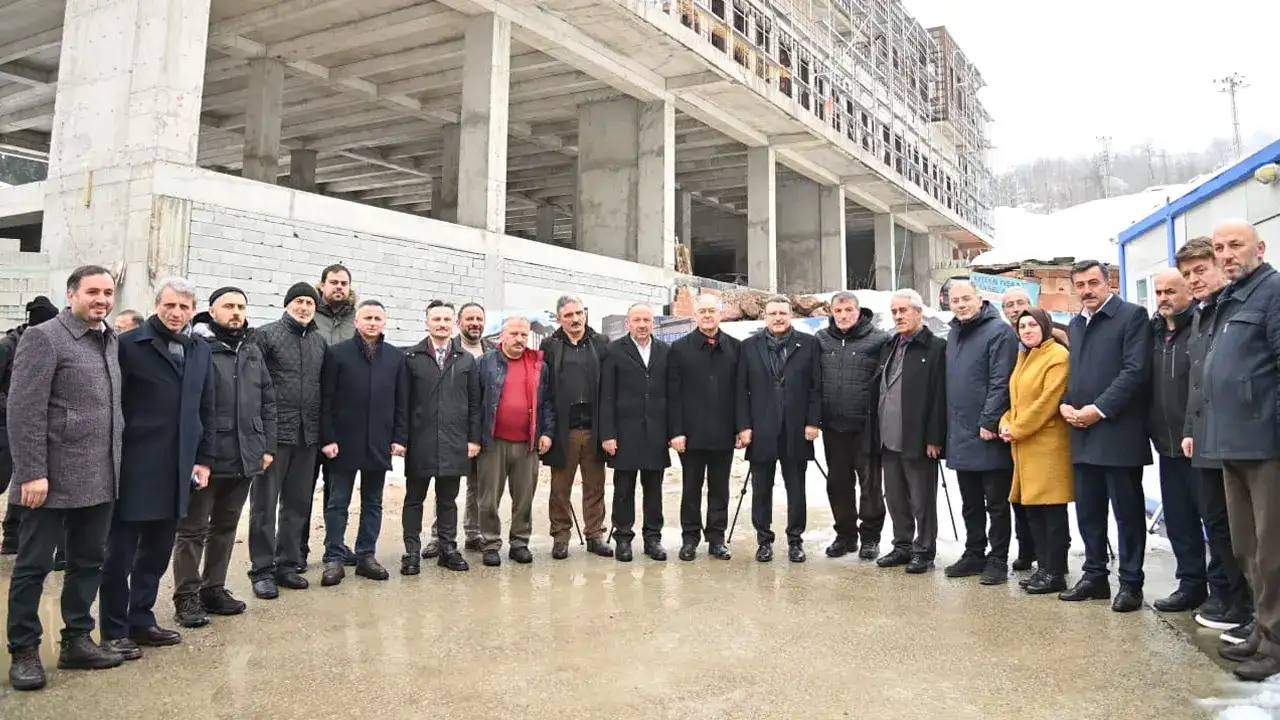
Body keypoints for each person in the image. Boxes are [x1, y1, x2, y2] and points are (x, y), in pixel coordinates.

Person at [5, 266, 126, 690]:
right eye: (92, 291)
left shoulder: (109, 339)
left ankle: (76, 640)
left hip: (100, 475)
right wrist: (32, 473)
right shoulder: (45, 337)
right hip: (50, 481)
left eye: (108, 292)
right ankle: (23, 650)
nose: (101, 299)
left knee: (88, 562)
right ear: (71, 294)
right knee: (33, 566)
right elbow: (23, 410)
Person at [101, 278, 215, 657]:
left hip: (178, 468)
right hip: (134, 465)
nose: (176, 313)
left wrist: (203, 459)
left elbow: (206, 409)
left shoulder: (200, 350)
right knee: (120, 553)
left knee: (156, 550)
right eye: (169, 305)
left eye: (184, 307)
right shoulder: (129, 346)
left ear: (193, 309)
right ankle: (115, 629)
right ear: (156, 304)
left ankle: (142, 620)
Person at [1200, 221, 1280, 681]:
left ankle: (1276, 643)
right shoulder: (1231, 299)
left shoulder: (1272, 292)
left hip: (1265, 442)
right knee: (1247, 546)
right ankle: (1263, 630)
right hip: (1232, 442)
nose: (1227, 254)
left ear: (1260, 248)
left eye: (1236, 245)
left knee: (1273, 549)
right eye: (1220, 248)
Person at [172, 288, 276, 628]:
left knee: (226, 527)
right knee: (192, 529)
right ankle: (186, 596)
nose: (236, 312)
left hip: (245, 456)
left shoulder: (251, 349)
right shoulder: (196, 347)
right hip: (207, 457)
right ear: (211, 311)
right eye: (228, 306)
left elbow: (267, 401)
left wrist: (266, 446)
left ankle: (213, 588)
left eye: (241, 306)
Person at [1059, 259, 1152, 612]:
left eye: (1093, 282)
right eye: (1080, 284)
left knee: (1127, 514)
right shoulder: (1076, 325)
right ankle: (1095, 576)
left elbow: (1135, 372)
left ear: (1108, 281)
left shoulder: (1131, 317)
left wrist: (1097, 410)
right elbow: (1077, 374)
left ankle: (1130, 583)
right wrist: (1067, 404)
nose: (1087, 290)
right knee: (1088, 512)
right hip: (1082, 433)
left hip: (1118, 433)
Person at [1177, 236, 1253, 637]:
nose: (1194, 280)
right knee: (1219, 527)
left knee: (1246, 530)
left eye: (1200, 270)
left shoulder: (1237, 307)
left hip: (1239, 438)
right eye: (1187, 274)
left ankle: (1254, 609)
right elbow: (1197, 381)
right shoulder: (1201, 315)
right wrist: (1190, 430)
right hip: (1205, 439)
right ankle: (1236, 602)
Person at [318, 300, 407, 586]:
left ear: (384, 323)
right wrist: (328, 438)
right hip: (343, 442)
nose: (371, 322)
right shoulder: (337, 354)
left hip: (378, 442)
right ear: (356, 322)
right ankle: (333, 556)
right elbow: (326, 400)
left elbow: (401, 401)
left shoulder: (395, 358)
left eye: (377, 318)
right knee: (338, 502)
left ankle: (366, 555)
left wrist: (399, 437)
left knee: (373, 502)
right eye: (366, 317)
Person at [247, 282, 327, 598]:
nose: (305, 306)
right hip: (273, 436)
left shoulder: (319, 343)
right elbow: (254, 386)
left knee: (297, 504)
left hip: (307, 436)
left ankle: (287, 565)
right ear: (287, 304)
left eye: (310, 302)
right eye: (299, 301)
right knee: (264, 505)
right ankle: (262, 570)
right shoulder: (265, 336)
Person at [1147, 268, 1216, 614]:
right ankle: (1190, 584)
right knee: (1179, 520)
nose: (1163, 298)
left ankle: (1224, 591)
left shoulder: (1201, 329)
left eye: (1170, 291)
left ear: (1188, 291)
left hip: (1200, 444)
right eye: (1159, 291)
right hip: (1166, 445)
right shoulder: (1154, 332)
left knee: (1214, 521)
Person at [944, 281, 1018, 586]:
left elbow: (1002, 380)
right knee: (970, 501)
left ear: (980, 299)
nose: (961, 305)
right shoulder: (954, 333)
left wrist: (989, 421)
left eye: (966, 299)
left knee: (996, 502)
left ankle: (998, 558)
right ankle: (974, 552)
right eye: (955, 300)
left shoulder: (998, 332)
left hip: (988, 433)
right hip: (960, 432)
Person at [737, 296, 821, 563]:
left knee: (796, 489)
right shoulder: (749, 347)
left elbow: (815, 387)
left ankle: (795, 540)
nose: (778, 318)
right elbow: (741, 391)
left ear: (791, 315)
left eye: (783, 313)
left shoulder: (808, 344)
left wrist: (812, 421)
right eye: (772, 313)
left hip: (796, 429)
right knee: (761, 489)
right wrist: (744, 426)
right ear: (764, 317)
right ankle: (764, 541)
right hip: (761, 430)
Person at [402, 300, 481, 574]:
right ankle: (411, 552)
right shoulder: (411, 358)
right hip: (420, 441)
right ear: (427, 323)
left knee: (448, 500)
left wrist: (473, 439)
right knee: (414, 499)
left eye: (447, 320)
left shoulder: (466, 360)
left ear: (454, 324)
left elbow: (474, 404)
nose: (442, 324)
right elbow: (402, 403)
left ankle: (448, 548)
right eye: (436, 319)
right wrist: (401, 439)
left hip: (453, 442)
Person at [999, 308, 1072, 595]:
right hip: (1026, 447)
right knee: (1034, 513)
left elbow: (1046, 402)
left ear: (1045, 326)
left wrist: (1015, 428)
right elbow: (1016, 401)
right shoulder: (1025, 356)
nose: (1027, 330)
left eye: (1032, 325)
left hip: (1047, 446)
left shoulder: (1057, 356)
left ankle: (1055, 571)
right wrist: (1005, 421)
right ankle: (1043, 568)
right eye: (1022, 326)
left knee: (1052, 512)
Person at [873, 289, 947, 574]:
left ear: (919, 312)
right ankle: (902, 545)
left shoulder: (936, 347)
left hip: (917, 439)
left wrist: (934, 437)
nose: (898, 316)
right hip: (888, 436)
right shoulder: (891, 345)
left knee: (922, 499)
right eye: (894, 311)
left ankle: (924, 550)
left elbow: (939, 396)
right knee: (894, 496)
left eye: (903, 310)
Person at [814, 291, 889, 560]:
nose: (843, 315)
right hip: (834, 427)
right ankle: (845, 535)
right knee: (838, 484)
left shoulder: (879, 339)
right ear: (831, 313)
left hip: (866, 426)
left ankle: (870, 537)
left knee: (870, 485)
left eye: (848, 310)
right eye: (838, 311)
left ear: (859, 311)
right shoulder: (821, 340)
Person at [475, 315, 554, 566]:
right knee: (488, 498)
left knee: (524, 498)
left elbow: (547, 403)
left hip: (527, 443)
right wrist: (474, 438)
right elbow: (475, 404)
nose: (520, 339)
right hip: (493, 441)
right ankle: (490, 543)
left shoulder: (538, 364)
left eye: (524, 334)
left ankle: (519, 542)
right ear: (502, 335)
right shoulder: (485, 363)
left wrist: (547, 432)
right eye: (514, 334)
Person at [668, 294, 741, 561]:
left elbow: (741, 392)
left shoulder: (735, 348)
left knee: (720, 488)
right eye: (702, 311)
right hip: (690, 434)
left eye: (712, 311)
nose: (708, 316)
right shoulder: (680, 349)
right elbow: (673, 394)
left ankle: (716, 538)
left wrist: (741, 427)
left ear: (721, 314)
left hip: (724, 432)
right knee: (691, 488)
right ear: (695, 316)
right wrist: (675, 431)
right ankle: (689, 539)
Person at [540, 295, 613, 559]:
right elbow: (545, 389)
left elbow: (609, 388)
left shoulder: (601, 343)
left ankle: (595, 535)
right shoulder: (550, 346)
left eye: (579, 313)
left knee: (595, 486)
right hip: (564, 430)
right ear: (559, 319)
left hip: (593, 428)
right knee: (560, 489)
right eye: (568, 315)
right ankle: (560, 537)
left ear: (585, 314)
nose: (575, 319)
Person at [601, 303, 672, 562]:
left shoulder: (665, 351)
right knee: (624, 489)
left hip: (656, 432)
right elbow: (606, 396)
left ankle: (653, 539)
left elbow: (672, 394)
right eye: (637, 320)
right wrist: (607, 434)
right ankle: (623, 538)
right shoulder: (613, 351)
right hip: (624, 433)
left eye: (647, 320)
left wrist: (673, 431)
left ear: (653, 323)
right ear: (627, 323)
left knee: (654, 489)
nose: (642, 325)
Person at [423, 302, 494, 558]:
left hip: (482, 429)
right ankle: (437, 537)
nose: (475, 323)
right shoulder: (448, 348)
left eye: (479, 319)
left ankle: (473, 533)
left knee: (477, 484)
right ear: (459, 323)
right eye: (469, 319)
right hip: (450, 429)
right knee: (445, 486)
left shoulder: (492, 350)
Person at [303, 264, 357, 570]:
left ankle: (334, 545)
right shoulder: (310, 313)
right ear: (321, 284)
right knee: (303, 489)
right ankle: (297, 548)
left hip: (342, 419)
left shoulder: (355, 319)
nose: (339, 287)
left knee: (337, 489)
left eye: (344, 283)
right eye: (333, 282)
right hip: (310, 413)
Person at [0, 296, 60, 555]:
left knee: (24, 479)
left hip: (37, 426)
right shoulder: (7, 347)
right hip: (3, 425)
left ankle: (13, 537)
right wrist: (11, 406)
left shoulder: (51, 345)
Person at [998, 286, 1038, 570]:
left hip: (1039, 430)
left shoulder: (1049, 335)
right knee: (1017, 495)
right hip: (1009, 428)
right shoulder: (1004, 339)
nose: (1014, 309)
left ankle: (1049, 552)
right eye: (1009, 305)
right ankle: (1026, 548)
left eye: (1020, 303)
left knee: (1042, 496)